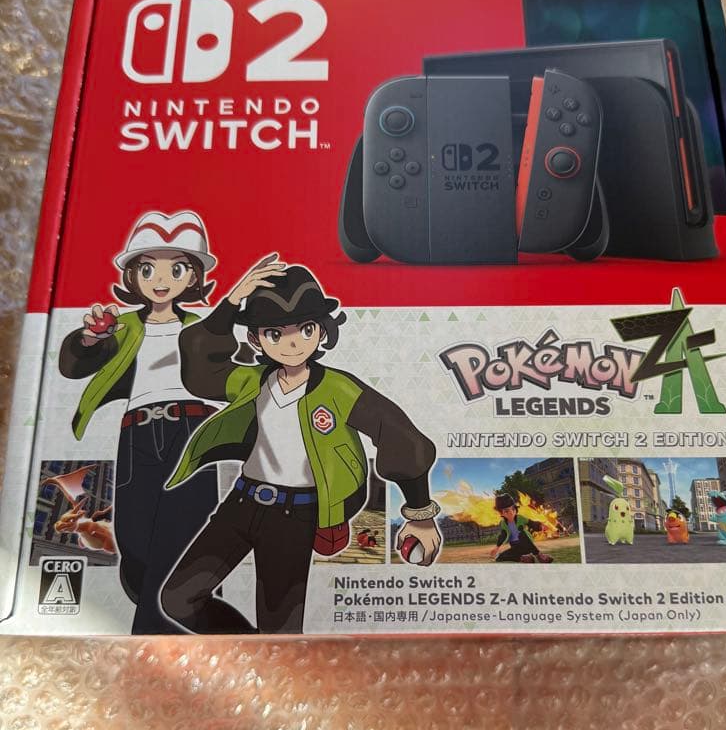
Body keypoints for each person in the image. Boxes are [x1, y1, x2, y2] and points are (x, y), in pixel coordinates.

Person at [160, 257, 442, 634]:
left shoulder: (338, 389)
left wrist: (419, 513)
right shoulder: (251, 381)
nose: (292, 343)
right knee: (178, 598)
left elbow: (398, 435)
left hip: (296, 516)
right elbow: (201, 370)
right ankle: (252, 653)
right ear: (256, 338)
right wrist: (231, 302)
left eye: (305, 329)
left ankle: (268, 654)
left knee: (280, 631)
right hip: (241, 504)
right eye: (275, 333)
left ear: (321, 331)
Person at [58, 210, 220, 632]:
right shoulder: (124, 326)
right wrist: (90, 337)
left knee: (185, 533)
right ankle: (192, 610)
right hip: (137, 434)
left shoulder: (202, 327)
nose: (160, 279)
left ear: (193, 277)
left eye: (176, 269)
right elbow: (74, 365)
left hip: (191, 430)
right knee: (133, 540)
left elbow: (228, 369)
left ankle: (153, 631)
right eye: (148, 269)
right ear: (133, 277)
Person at [489, 493, 553, 563]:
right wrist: (497, 547)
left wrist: (540, 526)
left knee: (521, 534)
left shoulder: (520, 518)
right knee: (499, 557)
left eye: (513, 509)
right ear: (501, 513)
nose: (511, 512)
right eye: (506, 511)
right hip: (515, 547)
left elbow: (531, 523)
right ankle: (524, 558)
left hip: (527, 544)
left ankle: (539, 555)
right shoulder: (503, 523)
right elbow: (503, 535)